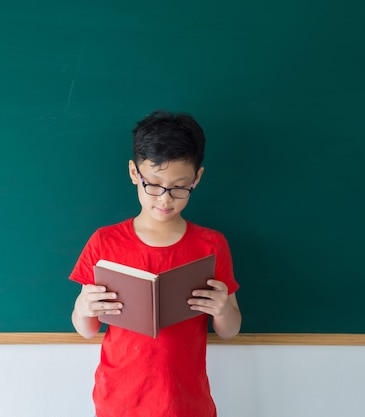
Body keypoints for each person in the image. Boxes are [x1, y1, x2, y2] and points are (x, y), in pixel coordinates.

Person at [69, 110, 242, 417]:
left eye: (179, 187)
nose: (165, 199)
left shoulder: (211, 245)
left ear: (197, 179)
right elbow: (86, 329)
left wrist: (222, 310)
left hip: (186, 402)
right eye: (154, 185)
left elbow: (230, 330)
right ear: (135, 173)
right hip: (118, 401)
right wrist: (84, 308)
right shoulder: (105, 241)